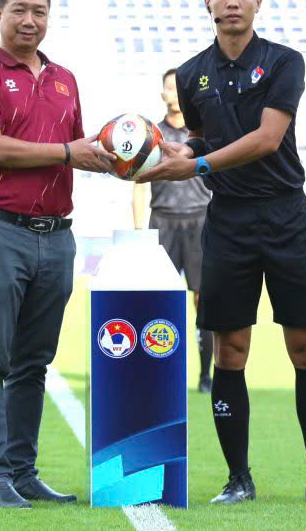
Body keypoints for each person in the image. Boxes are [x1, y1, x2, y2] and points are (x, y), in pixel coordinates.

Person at [137, 0, 306, 507]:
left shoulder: (285, 62)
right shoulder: (190, 74)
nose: (232, 1)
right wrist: (177, 152)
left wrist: (196, 163)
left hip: (287, 218)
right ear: (207, 2)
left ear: (259, 1)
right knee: (229, 351)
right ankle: (238, 479)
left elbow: (266, 139)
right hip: (229, 222)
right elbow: (205, 139)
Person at [0, 0, 114, 509]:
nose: (29, 20)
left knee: (33, 364)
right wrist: (69, 152)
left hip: (56, 237)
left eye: (39, 11)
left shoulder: (65, 79)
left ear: (49, 17)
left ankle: (22, 473)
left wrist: (135, 158)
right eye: (19, 10)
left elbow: (83, 150)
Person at [132, 68, 213, 393]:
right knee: (158, 304)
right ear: (162, 94)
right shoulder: (152, 136)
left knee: (203, 302)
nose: (174, 94)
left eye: (179, 88)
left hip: (200, 222)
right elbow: (139, 185)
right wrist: (139, 232)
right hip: (162, 223)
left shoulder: (204, 134)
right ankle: (158, 375)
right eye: (169, 88)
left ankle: (205, 376)